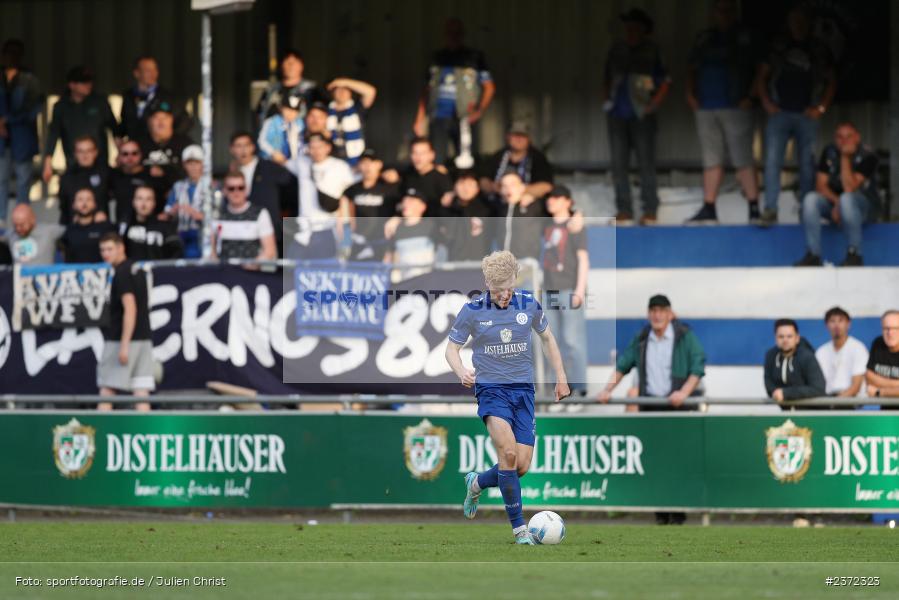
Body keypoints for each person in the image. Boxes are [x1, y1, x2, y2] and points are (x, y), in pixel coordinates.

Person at [446, 250, 569, 544]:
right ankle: (520, 530)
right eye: (500, 291)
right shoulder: (473, 310)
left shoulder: (528, 304)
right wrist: (461, 370)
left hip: (523, 392)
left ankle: (477, 482)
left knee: (521, 466)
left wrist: (561, 376)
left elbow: (548, 338)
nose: (505, 295)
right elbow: (451, 349)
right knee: (509, 455)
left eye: (510, 288)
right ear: (488, 285)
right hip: (491, 391)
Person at [597, 294, 705, 524]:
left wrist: (684, 393)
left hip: (678, 407)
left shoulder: (684, 336)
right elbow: (624, 363)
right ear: (649, 314)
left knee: (678, 461)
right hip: (650, 407)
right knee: (655, 462)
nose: (657, 315)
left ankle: (678, 512)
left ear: (670, 313)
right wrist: (607, 390)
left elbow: (698, 365)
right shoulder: (643, 337)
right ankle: (660, 513)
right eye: (653, 310)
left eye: (661, 310)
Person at [758, 6, 836, 226]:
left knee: (807, 164)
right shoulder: (778, 46)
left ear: (808, 23)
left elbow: (832, 80)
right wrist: (766, 102)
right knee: (773, 161)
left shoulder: (818, 48)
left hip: (806, 114)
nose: (798, 24)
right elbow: (761, 76)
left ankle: (806, 210)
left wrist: (821, 108)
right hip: (780, 112)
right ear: (788, 22)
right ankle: (771, 209)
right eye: (794, 20)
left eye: (802, 20)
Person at [685, 0, 762, 224]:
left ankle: (754, 208)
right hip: (706, 106)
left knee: (743, 158)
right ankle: (709, 207)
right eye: (720, 10)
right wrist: (690, 93)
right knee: (711, 158)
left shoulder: (746, 37)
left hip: (736, 105)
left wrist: (751, 96)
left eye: (728, 10)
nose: (724, 14)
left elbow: (762, 68)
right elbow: (691, 67)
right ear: (714, 13)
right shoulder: (704, 38)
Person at [604, 9, 670, 225]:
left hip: (642, 114)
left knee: (646, 163)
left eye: (635, 26)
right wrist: (606, 100)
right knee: (618, 165)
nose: (630, 30)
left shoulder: (652, 51)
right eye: (628, 26)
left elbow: (666, 80)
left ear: (644, 28)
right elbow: (605, 77)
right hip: (617, 114)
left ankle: (650, 209)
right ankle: (624, 209)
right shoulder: (617, 49)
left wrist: (654, 105)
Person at [795, 122, 879, 267]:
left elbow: (850, 187)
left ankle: (855, 254)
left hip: (863, 208)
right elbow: (820, 185)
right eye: (840, 137)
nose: (844, 141)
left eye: (848, 136)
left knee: (847, 199)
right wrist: (837, 203)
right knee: (810, 199)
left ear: (857, 138)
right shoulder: (829, 151)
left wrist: (845, 157)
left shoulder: (868, 155)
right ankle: (813, 255)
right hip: (836, 206)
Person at [413, 18, 495, 164]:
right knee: (436, 160)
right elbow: (426, 89)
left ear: (462, 34)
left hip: (464, 116)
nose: (453, 36)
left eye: (457, 33)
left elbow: (489, 87)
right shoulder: (436, 58)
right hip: (438, 116)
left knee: (467, 158)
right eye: (450, 32)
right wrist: (419, 118)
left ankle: (465, 185)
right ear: (445, 34)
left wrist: (479, 111)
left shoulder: (474, 57)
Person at [97, 232, 153, 412]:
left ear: (121, 248)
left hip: (122, 339)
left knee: (107, 390)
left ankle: (96, 437)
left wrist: (124, 344)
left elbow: (130, 308)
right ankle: (148, 436)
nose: (106, 254)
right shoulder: (137, 269)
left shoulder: (121, 273)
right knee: (141, 391)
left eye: (110, 249)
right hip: (144, 339)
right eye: (103, 250)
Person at [542, 185, 589, 395]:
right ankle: (560, 390)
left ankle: (579, 390)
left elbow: (583, 258)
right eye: (550, 197)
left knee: (572, 341)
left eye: (557, 197)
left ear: (568, 201)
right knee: (551, 342)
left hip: (569, 289)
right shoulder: (545, 224)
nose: (551, 201)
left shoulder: (575, 225)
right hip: (548, 290)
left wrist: (579, 290)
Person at [229, 131, 297, 256]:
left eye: (246, 145)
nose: (243, 150)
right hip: (242, 237)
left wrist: (283, 217)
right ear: (232, 149)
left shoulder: (269, 168)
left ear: (253, 147)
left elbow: (293, 190)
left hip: (269, 235)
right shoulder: (232, 171)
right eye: (238, 146)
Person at [42, 66, 118, 179]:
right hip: (74, 163)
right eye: (83, 82)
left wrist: (121, 153)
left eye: (89, 81)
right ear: (72, 85)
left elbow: (115, 129)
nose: (88, 84)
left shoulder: (100, 102)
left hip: (100, 162)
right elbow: (53, 134)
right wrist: (47, 163)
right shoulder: (61, 107)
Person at [0, 39, 41, 224]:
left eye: (14, 54)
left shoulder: (29, 79)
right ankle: (1, 219)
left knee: (24, 180)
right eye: (8, 53)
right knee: (1, 179)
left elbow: (33, 109)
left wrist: (7, 120)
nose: (10, 58)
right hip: (2, 141)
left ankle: (22, 219)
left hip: (22, 138)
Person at [343, 149, 398, 261]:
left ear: (379, 165)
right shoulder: (352, 190)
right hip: (358, 243)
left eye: (371, 163)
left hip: (382, 244)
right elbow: (345, 212)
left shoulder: (390, 188)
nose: (367, 167)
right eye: (363, 163)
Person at [480, 121, 554, 204]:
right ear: (508, 137)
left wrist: (518, 190)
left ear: (529, 139)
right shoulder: (498, 156)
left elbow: (547, 186)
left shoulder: (538, 158)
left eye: (523, 136)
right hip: (498, 205)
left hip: (528, 206)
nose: (519, 139)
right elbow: (483, 180)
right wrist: (496, 187)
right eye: (515, 135)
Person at [211, 171, 277, 262]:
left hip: (250, 273)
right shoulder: (217, 215)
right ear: (224, 191)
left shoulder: (260, 213)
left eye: (241, 188)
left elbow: (269, 251)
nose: (236, 192)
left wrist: (251, 266)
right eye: (231, 188)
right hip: (223, 272)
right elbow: (211, 251)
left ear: (247, 189)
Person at [118, 55, 188, 141]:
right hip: (136, 148)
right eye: (147, 70)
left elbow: (185, 121)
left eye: (155, 70)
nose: (152, 73)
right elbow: (125, 123)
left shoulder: (168, 96)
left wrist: (170, 141)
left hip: (158, 149)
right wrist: (119, 137)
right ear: (136, 73)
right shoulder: (128, 96)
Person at [763, 319, 826, 405]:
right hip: (786, 412)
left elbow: (818, 389)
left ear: (797, 338)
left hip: (812, 413)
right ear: (775, 338)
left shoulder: (807, 357)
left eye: (789, 336)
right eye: (781, 336)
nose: (785, 340)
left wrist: (786, 393)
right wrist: (777, 393)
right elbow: (769, 385)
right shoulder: (770, 356)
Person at [383, 137, 452, 215]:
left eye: (422, 153)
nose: (418, 158)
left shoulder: (441, 179)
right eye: (414, 153)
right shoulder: (407, 174)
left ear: (432, 155)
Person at [138, 105, 194, 200]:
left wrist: (166, 173)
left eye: (165, 118)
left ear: (171, 119)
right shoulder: (139, 144)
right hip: (145, 199)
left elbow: (194, 172)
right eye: (156, 118)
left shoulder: (185, 144)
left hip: (177, 198)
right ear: (149, 121)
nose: (161, 122)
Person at [256, 49, 322, 128]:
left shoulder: (311, 89)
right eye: (287, 62)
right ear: (281, 65)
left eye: (294, 62)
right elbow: (261, 113)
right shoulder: (271, 89)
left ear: (301, 65)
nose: (291, 65)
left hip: (303, 136)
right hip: (275, 136)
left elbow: (320, 114)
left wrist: (297, 115)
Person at [164, 145, 208, 258]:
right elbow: (167, 211)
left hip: (203, 234)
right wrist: (172, 211)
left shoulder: (211, 187)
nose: (193, 167)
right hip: (181, 233)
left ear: (203, 164)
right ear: (184, 165)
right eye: (190, 163)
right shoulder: (178, 186)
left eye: (197, 163)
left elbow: (218, 215)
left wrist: (196, 214)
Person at [118, 185, 182, 261]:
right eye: (139, 198)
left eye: (148, 199)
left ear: (154, 203)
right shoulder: (125, 226)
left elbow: (177, 253)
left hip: (158, 271)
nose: (143, 204)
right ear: (133, 202)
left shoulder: (165, 227)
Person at [815, 307, 868, 397]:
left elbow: (855, 387)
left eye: (841, 320)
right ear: (826, 325)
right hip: (827, 400)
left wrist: (836, 403)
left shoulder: (858, 348)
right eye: (832, 321)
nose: (836, 325)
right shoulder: (821, 352)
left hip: (852, 401)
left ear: (848, 324)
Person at [441, 170, 494, 261]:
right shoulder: (447, 210)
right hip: (454, 263)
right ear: (454, 187)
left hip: (480, 264)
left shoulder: (488, 209)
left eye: (470, 184)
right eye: (461, 184)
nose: (465, 188)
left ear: (477, 188)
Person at [58, 135, 109, 224]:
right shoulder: (67, 177)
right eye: (80, 151)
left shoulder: (106, 173)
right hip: (74, 227)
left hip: (101, 227)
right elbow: (64, 206)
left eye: (89, 151)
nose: (85, 155)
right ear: (75, 154)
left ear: (95, 152)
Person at [326, 77, 377, 166]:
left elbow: (370, 91)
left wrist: (343, 82)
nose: (342, 93)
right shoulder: (325, 111)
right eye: (338, 90)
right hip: (332, 161)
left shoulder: (357, 108)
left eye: (345, 90)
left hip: (356, 161)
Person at [60, 187, 115, 263]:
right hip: (75, 273)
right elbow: (65, 256)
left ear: (95, 204)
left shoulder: (106, 227)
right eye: (80, 199)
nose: (84, 203)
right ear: (74, 205)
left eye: (88, 199)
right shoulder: (69, 230)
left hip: (102, 273)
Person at [109, 139, 156, 222]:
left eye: (134, 153)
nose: (130, 157)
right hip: (122, 226)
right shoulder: (113, 176)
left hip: (149, 226)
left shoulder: (151, 174)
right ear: (119, 156)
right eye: (125, 154)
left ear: (140, 154)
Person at [258, 91, 305, 170]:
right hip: (273, 161)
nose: (291, 113)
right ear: (280, 108)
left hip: (294, 162)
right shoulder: (271, 121)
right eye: (288, 109)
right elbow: (261, 141)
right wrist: (273, 152)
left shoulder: (300, 123)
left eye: (295, 111)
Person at [866, 310, 899, 400]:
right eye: (886, 328)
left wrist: (879, 392)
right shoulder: (878, 343)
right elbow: (869, 377)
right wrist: (896, 386)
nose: (890, 333)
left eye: (895, 328)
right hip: (886, 410)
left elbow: (873, 387)